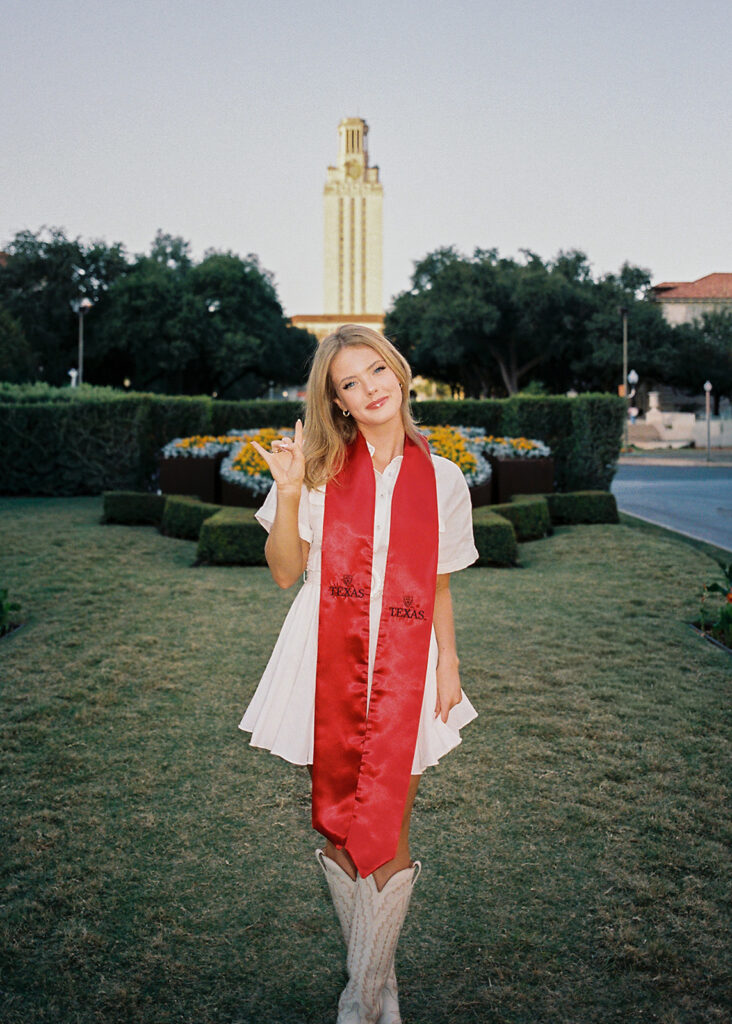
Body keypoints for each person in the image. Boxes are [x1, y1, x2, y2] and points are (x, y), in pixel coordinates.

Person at [240, 324, 478, 1024]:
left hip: (406, 656)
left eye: (376, 371)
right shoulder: (315, 466)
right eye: (350, 382)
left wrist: (450, 663)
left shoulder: (441, 476)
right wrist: (286, 493)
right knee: (340, 826)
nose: (369, 388)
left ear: (399, 373)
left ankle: (364, 996)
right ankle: (376, 991)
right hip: (324, 655)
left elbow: (438, 580)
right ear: (338, 401)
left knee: (389, 824)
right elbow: (286, 570)